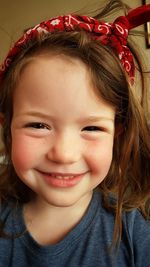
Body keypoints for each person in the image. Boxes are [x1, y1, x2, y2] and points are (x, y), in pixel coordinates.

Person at [0, 0, 150, 266]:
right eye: (38, 125)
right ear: (7, 127)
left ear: (117, 135)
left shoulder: (137, 234)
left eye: (91, 128)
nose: (64, 154)